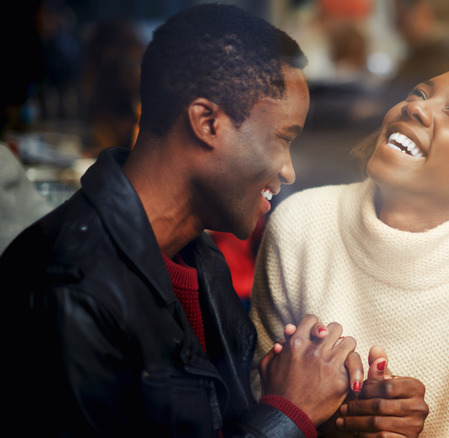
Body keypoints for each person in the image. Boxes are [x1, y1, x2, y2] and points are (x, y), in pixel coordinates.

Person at [3, 4, 426, 437]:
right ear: (208, 122)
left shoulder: (198, 257)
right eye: (282, 139)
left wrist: (331, 414)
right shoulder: (68, 290)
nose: (288, 171)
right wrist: (289, 411)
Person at [251, 69, 449, 437]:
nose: (414, 108)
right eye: (419, 92)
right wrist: (328, 419)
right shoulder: (300, 224)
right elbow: (253, 401)